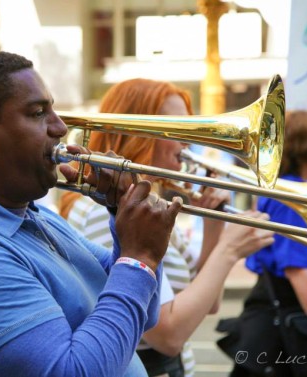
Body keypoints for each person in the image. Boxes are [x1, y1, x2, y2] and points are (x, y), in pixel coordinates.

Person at [0, 51, 183, 376]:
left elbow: (142, 314)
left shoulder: (29, 215)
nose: (61, 127)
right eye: (38, 113)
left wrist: (123, 215)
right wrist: (140, 257)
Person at [59, 78, 275, 377]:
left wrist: (212, 224)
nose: (188, 142)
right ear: (138, 133)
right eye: (178, 130)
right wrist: (229, 249)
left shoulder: (149, 206)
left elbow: (207, 304)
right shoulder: (102, 210)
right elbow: (167, 335)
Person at [216, 110, 307, 377]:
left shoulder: (297, 192)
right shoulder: (291, 197)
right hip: (294, 323)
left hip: (294, 318)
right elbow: (296, 267)